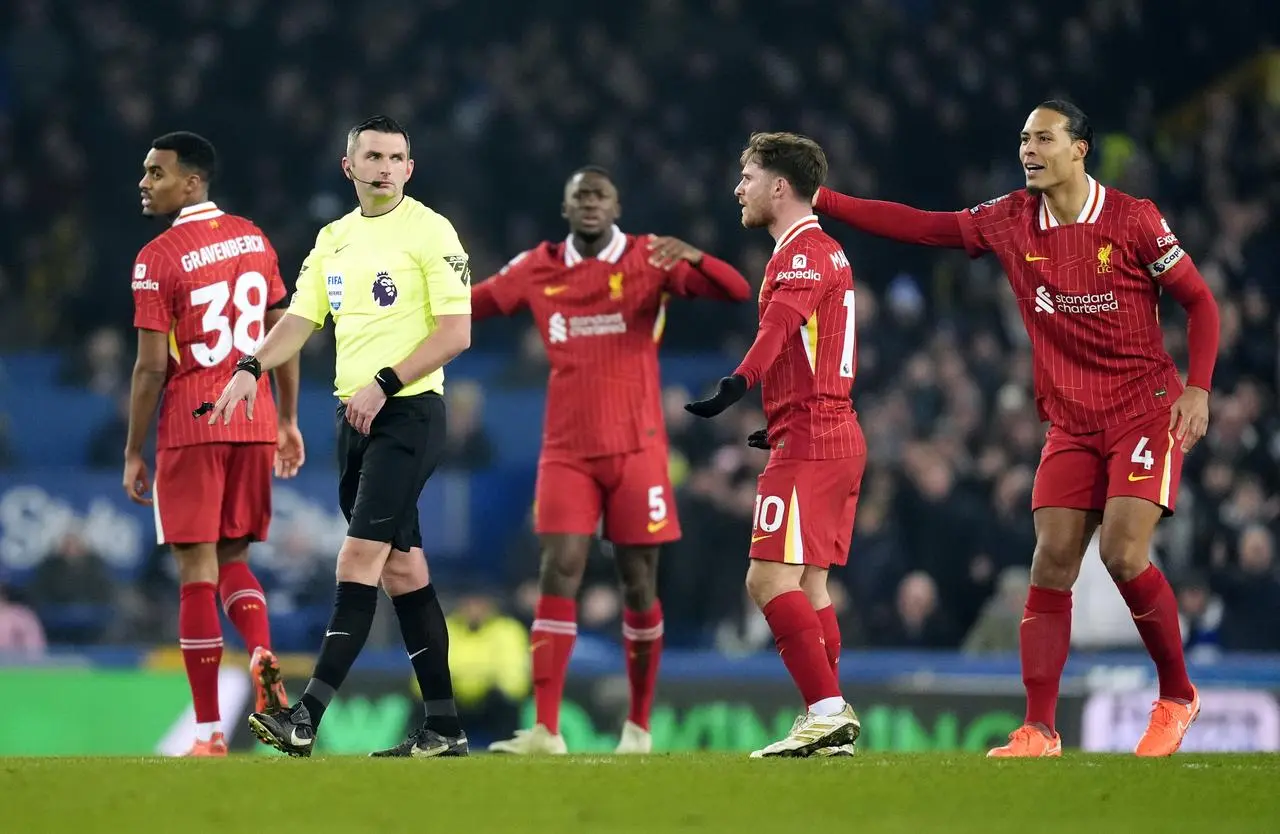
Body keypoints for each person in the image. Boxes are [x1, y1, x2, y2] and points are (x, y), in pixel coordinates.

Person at [813, 100, 1220, 757]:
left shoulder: (1132, 219)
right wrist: (824, 199)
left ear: (1080, 149)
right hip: (1071, 420)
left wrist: (1198, 389)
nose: (1029, 150)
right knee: (1051, 561)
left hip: (1144, 408)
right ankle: (1040, 728)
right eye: (1024, 139)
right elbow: (923, 228)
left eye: (1044, 139)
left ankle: (1177, 695)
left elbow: (1200, 302)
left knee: (1121, 551)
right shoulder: (1009, 219)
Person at [207, 115, 473, 758]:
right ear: (348, 166)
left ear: (410, 168)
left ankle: (305, 716)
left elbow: (456, 333)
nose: (384, 167)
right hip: (353, 420)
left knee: (357, 559)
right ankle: (443, 727)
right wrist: (250, 367)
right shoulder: (334, 240)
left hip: (408, 414)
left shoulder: (432, 232)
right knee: (403, 573)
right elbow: (301, 318)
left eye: (396, 157)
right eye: (373, 156)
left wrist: (385, 380)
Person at [472, 166, 752, 754]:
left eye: (601, 195)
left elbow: (734, 290)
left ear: (617, 204)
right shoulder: (538, 266)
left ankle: (639, 727)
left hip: (638, 448)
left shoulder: (651, 259)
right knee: (559, 569)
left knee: (637, 583)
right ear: (567, 207)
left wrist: (695, 256)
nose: (592, 204)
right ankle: (546, 729)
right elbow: (475, 304)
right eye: (581, 197)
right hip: (567, 452)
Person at [684, 132, 864, 758]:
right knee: (810, 589)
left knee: (766, 581)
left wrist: (738, 385)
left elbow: (780, 329)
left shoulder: (800, 254)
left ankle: (826, 708)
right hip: (829, 430)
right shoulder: (830, 252)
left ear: (778, 187)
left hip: (813, 438)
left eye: (748, 176)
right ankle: (830, 722)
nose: (739, 188)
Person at [125, 131, 303, 757]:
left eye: (156, 172)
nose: (145, 183)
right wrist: (287, 419)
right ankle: (260, 650)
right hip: (254, 418)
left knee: (196, 574)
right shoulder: (255, 237)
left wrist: (133, 450)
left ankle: (206, 734)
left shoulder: (157, 256)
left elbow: (150, 368)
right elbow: (284, 331)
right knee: (236, 563)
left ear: (191, 182)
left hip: (193, 422)